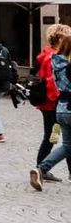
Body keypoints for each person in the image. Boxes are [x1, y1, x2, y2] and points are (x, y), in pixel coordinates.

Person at [30, 29, 71, 191]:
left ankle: (41, 169)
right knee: (63, 143)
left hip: (62, 108)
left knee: (67, 145)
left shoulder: (58, 64)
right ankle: (42, 168)